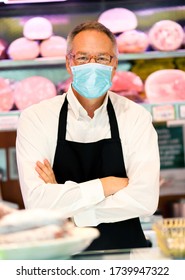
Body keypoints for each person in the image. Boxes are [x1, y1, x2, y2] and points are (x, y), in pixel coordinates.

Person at [16, 21, 160, 250]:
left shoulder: (135, 117)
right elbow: (38, 203)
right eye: (82, 58)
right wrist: (107, 185)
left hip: (124, 257)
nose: (92, 65)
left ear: (114, 65)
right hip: (59, 257)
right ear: (68, 62)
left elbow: (145, 199)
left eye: (102, 58)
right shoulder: (36, 118)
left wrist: (75, 214)